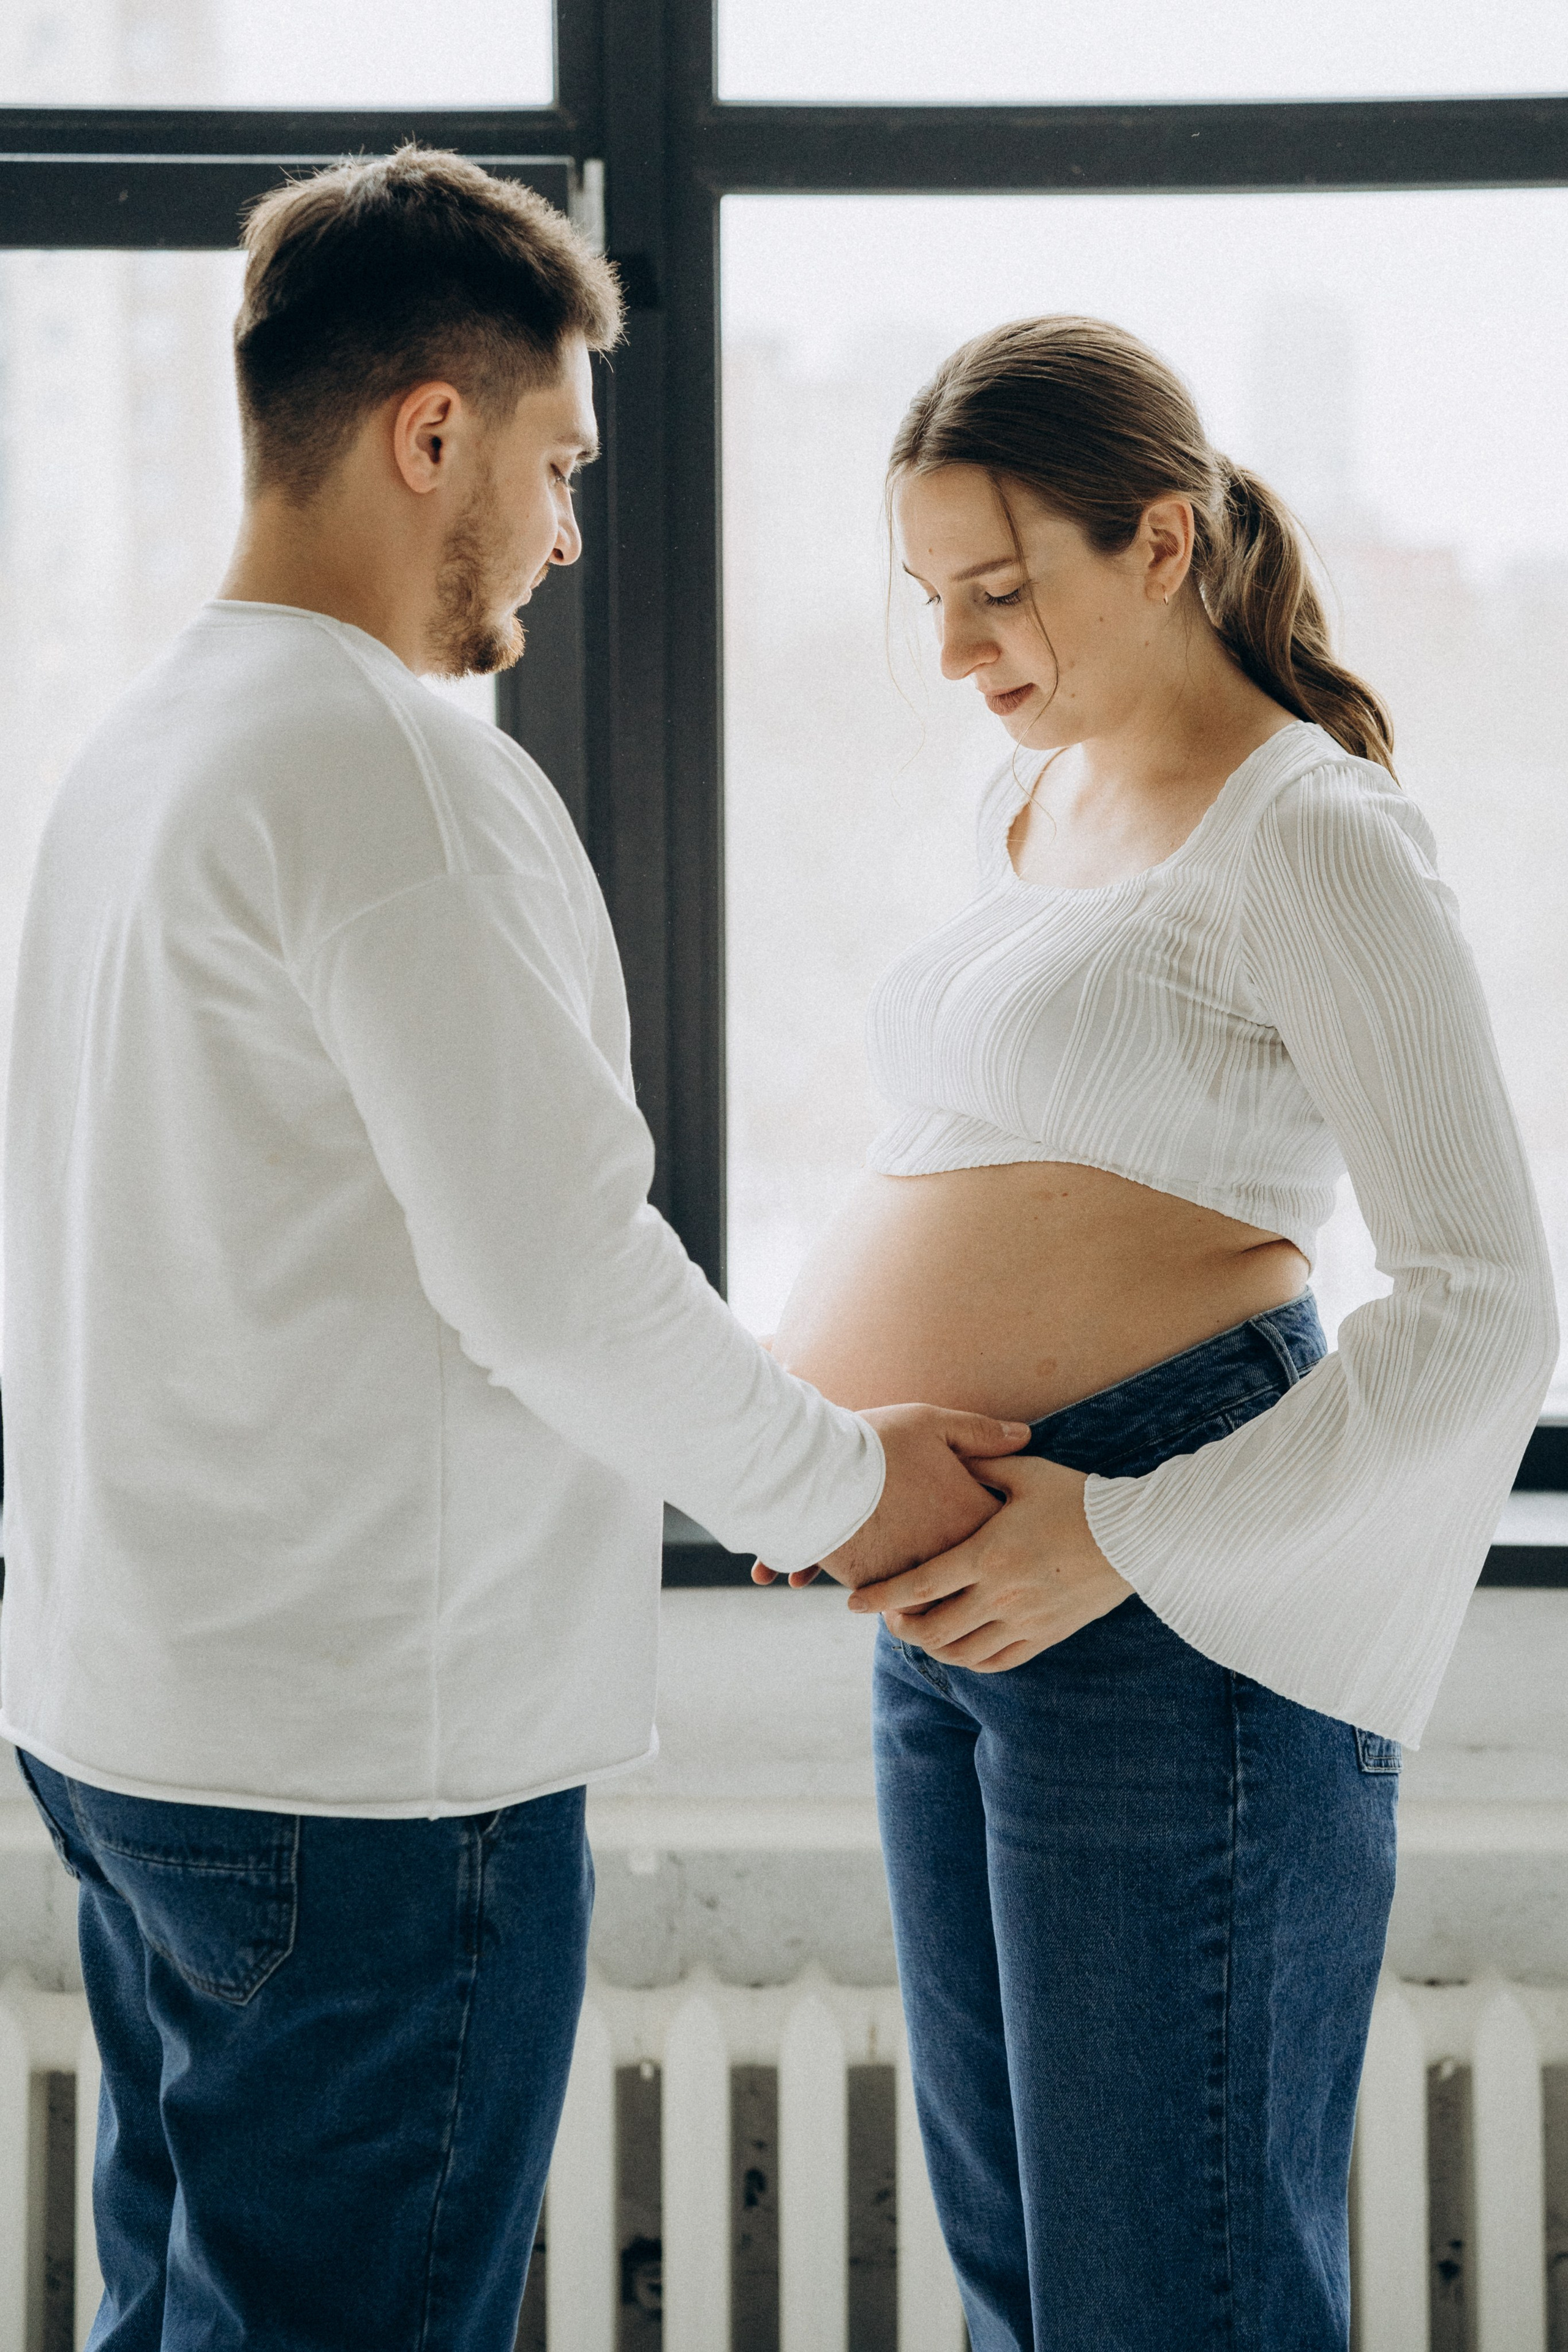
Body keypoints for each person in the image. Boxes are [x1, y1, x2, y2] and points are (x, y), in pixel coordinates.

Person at [0, 150, 1030, 2350]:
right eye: (558, 461)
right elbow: (559, 1274)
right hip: (361, 1777)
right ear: (430, 432)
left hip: (138, 1720)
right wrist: (856, 1493)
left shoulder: (142, 752)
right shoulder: (391, 776)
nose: (569, 529)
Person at [759, 316, 1557, 2349]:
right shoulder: (1021, 811)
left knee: (1168, 2287)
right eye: (932, 603)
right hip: (958, 1597)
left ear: (1166, 545)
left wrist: (1113, 1532)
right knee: (1029, 2271)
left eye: (1003, 594)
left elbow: (1487, 1300)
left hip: (1161, 1591)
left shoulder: (1312, 832)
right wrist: (815, 1451)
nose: (958, 655)